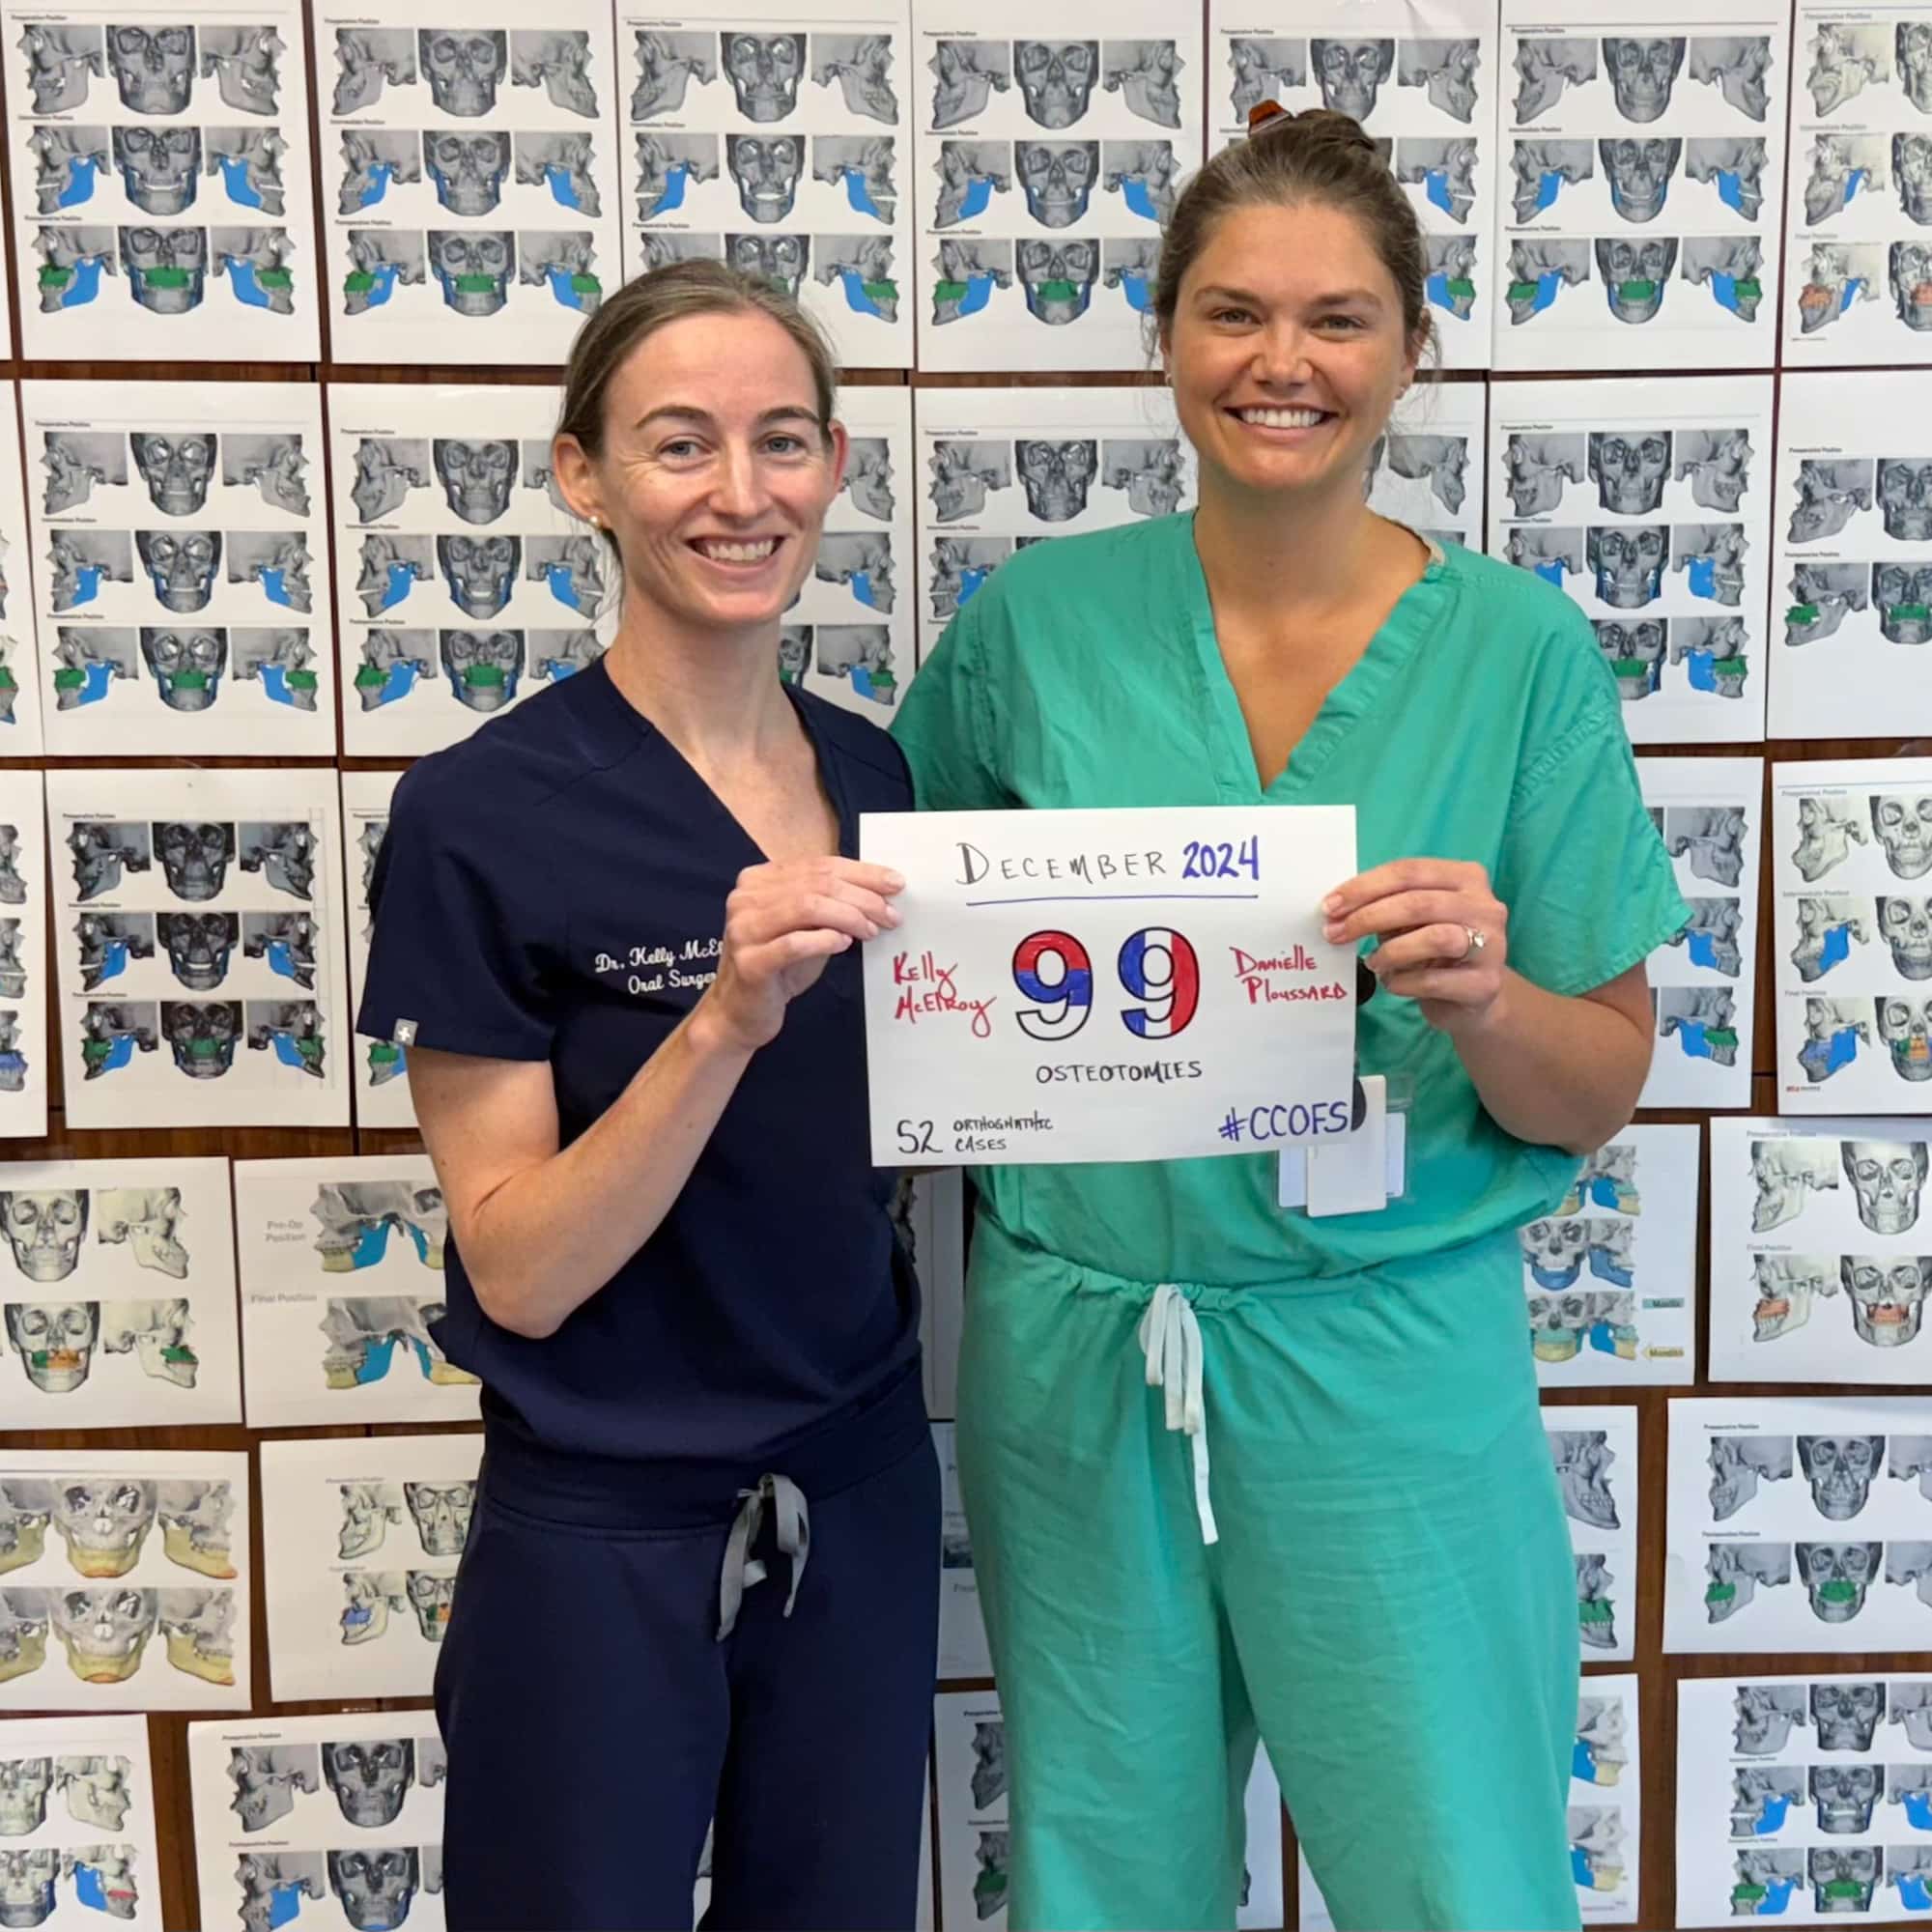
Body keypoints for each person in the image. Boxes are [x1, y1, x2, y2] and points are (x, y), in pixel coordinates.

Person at [891, 105, 1690, 1932]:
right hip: (1081, 1365)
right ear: (1165, 338)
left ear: (1415, 348)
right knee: (1101, 1880)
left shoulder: (1516, 654)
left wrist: (1490, 1000)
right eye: (1233, 314)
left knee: (1456, 1874)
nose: (1282, 363)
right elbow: (901, 969)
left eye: (1337, 319)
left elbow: (1598, 1087)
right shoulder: (1036, 628)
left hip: (1387, 1366)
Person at [355, 260, 937, 1932]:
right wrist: (723, 1016)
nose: (741, 494)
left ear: (834, 464)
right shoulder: (483, 813)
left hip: (858, 1485)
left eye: (782, 441)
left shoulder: (879, 780)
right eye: (680, 445)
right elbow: (522, 1266)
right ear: (583, 476)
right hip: (604, 1525)